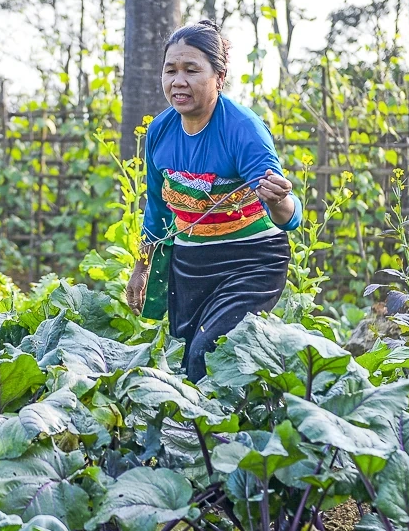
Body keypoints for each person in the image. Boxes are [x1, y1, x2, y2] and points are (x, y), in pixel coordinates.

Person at [124, 20, 303, 382]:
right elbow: (157, 212)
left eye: (192, 70)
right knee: (190, 357)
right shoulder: (160, 130)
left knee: (210, 349)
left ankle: (223, 435)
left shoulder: (243, 129)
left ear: (219, 77)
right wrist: (141, 268)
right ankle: (204, 431)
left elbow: (288, 216)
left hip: (251, 264)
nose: (178, 81)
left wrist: (280, 200)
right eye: (170, 70)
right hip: (191, 265)